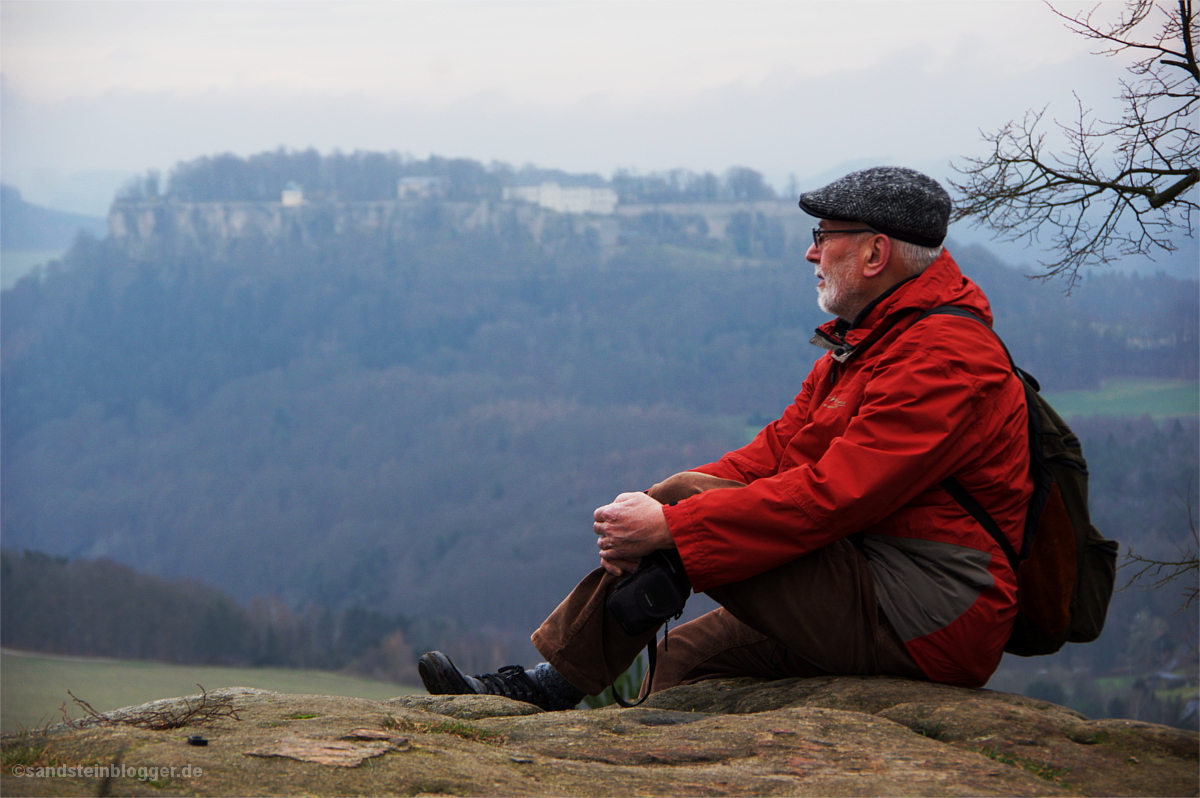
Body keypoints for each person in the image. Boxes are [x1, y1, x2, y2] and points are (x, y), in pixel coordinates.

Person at [418, 166, 1032, 711]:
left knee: (687, 510)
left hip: (928, 613)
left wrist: (672, 526)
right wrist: (654, 508)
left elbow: (835, 495)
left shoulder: (946, 361)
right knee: (683, 660)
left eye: (823, 237)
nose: (810, 254)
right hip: (872, 580)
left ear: (875, 255)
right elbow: (775, 454)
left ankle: (551, 687)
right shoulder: (869, 344)